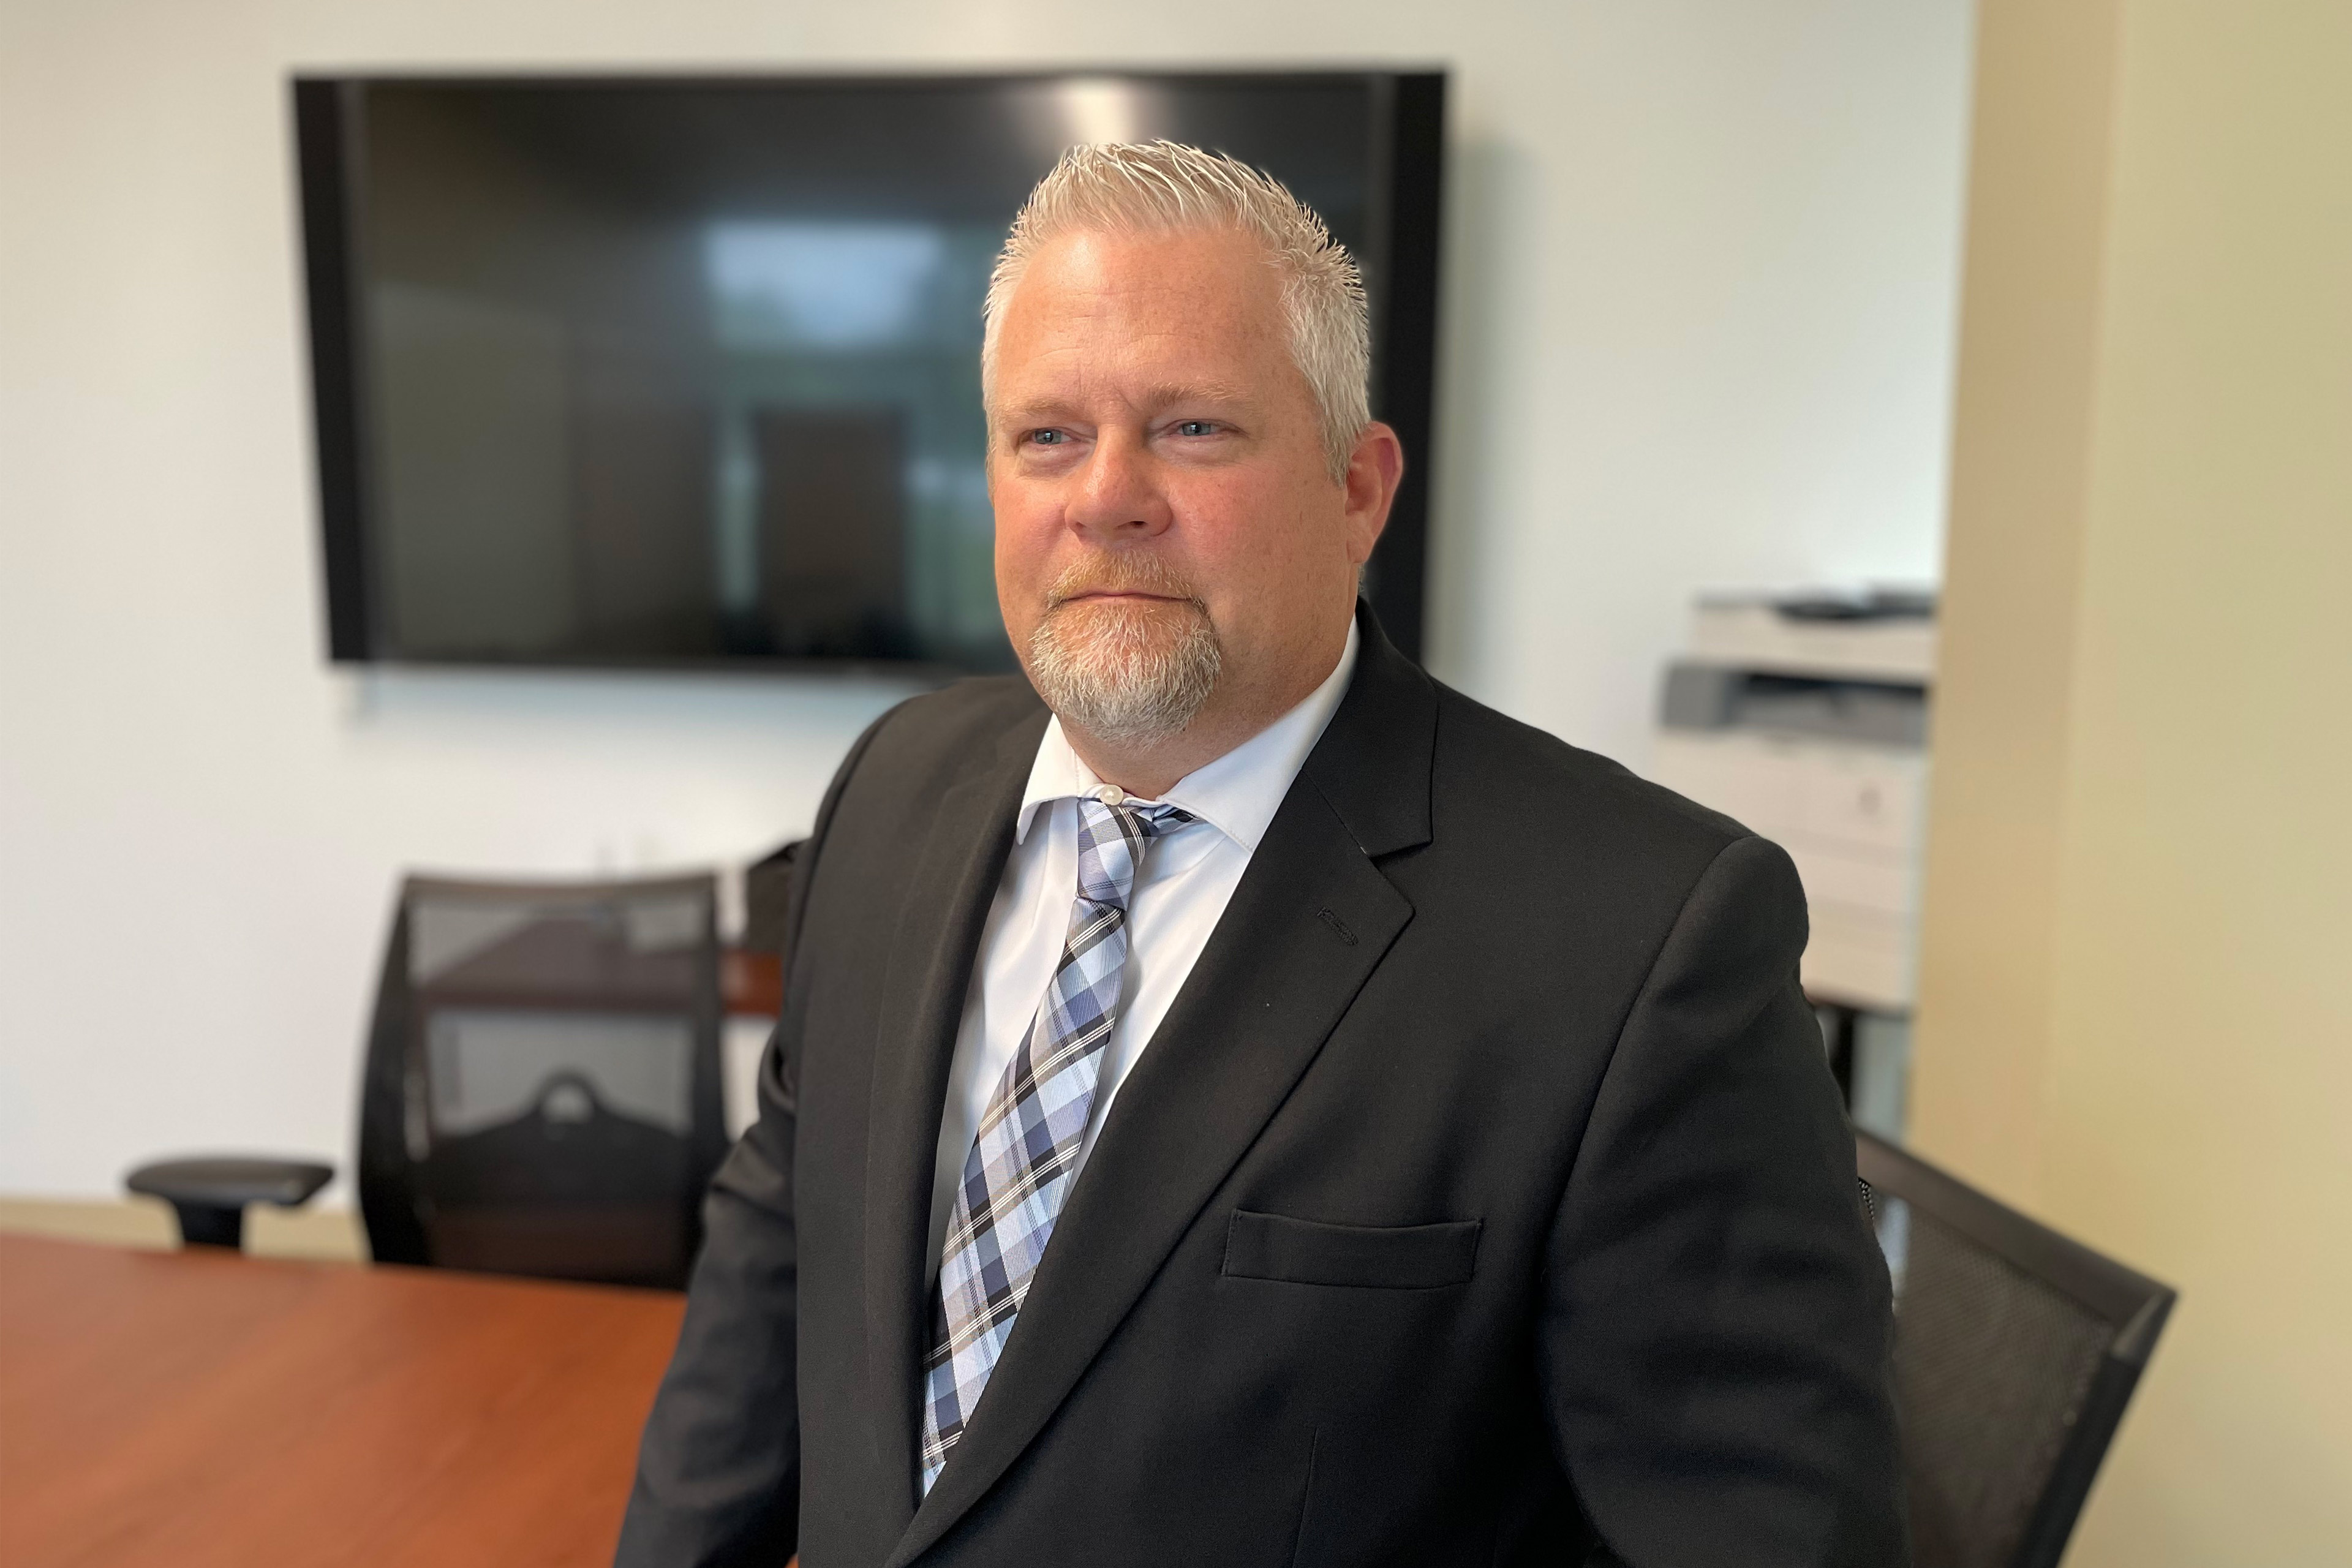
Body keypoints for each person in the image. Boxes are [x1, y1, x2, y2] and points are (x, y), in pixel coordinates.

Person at [617, 142, 1905, 1568]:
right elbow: (782, 1247)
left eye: (1192, 430)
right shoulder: (891, 792)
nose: (1106, 497)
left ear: (1359, 489)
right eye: (1046, 435)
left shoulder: (1643, 942)